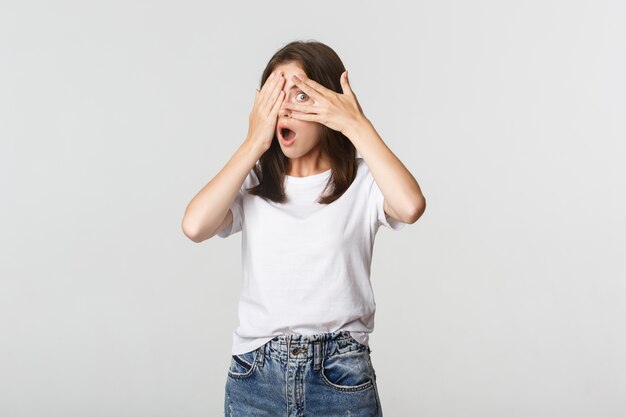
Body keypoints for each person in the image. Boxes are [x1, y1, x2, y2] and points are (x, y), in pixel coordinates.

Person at [182, 40, 426, 417]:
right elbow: (195, 226)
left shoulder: (363, 182)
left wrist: (354, 122)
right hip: (255, 377)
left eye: (299, 94)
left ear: (329, 103)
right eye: (275, 95)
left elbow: (410, 207)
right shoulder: (253, 182)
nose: (285, 108)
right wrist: (253, 141)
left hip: (340, 376)